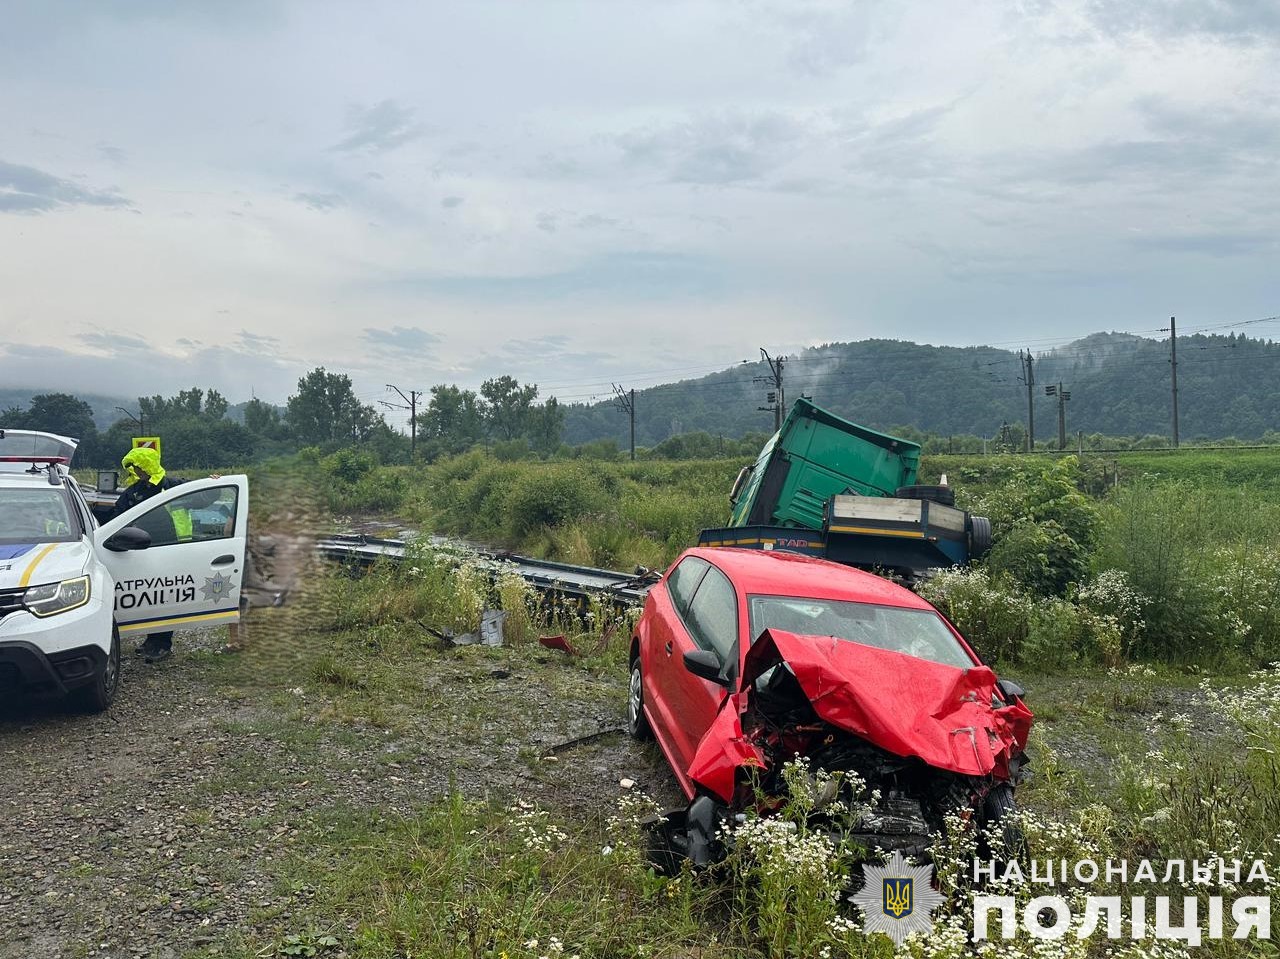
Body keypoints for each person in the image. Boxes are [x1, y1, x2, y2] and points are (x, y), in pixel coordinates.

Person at [108, 447, 186, 662]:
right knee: (152, 593)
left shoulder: (172, 486)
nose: (137, 471)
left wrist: (214, 481)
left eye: (140, 467)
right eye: (134, 468)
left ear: (148, 465)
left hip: (170, 547)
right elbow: (117, 515)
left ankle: (163, 642)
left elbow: (204, 496)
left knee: (166, 593)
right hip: (142, 548)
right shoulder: (133, 491)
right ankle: (152, 639)